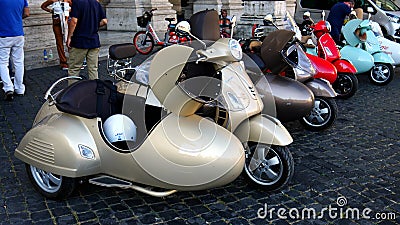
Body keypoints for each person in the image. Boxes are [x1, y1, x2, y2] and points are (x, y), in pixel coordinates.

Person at [66, 0, 107, 82]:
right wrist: (94, 26)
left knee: (74, 69)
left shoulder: (77, 3)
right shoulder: (96, 3)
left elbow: (74, 21)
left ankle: (73, 92)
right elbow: (104, 21)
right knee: (93, 69)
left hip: (79, 41)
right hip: (94, 41)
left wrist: (69, 37)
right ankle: (95, 91)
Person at [0, 0, 30, 101]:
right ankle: (19, 88)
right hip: (18, 33)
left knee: (3, 63)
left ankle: (8, 88)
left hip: (3, 34)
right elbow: (26, 13)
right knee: (19, 62)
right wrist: (15, 18)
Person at [41, 0, 72, 70]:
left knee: (70, 41)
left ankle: (73, 61)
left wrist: (69, 12)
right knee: (59, 43)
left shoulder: (69, 0)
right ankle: (63, 62)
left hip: (67, 23)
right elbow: (43, 6)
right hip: (57, 23)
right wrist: (51, 11)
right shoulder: (53, 0)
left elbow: (76, 7)